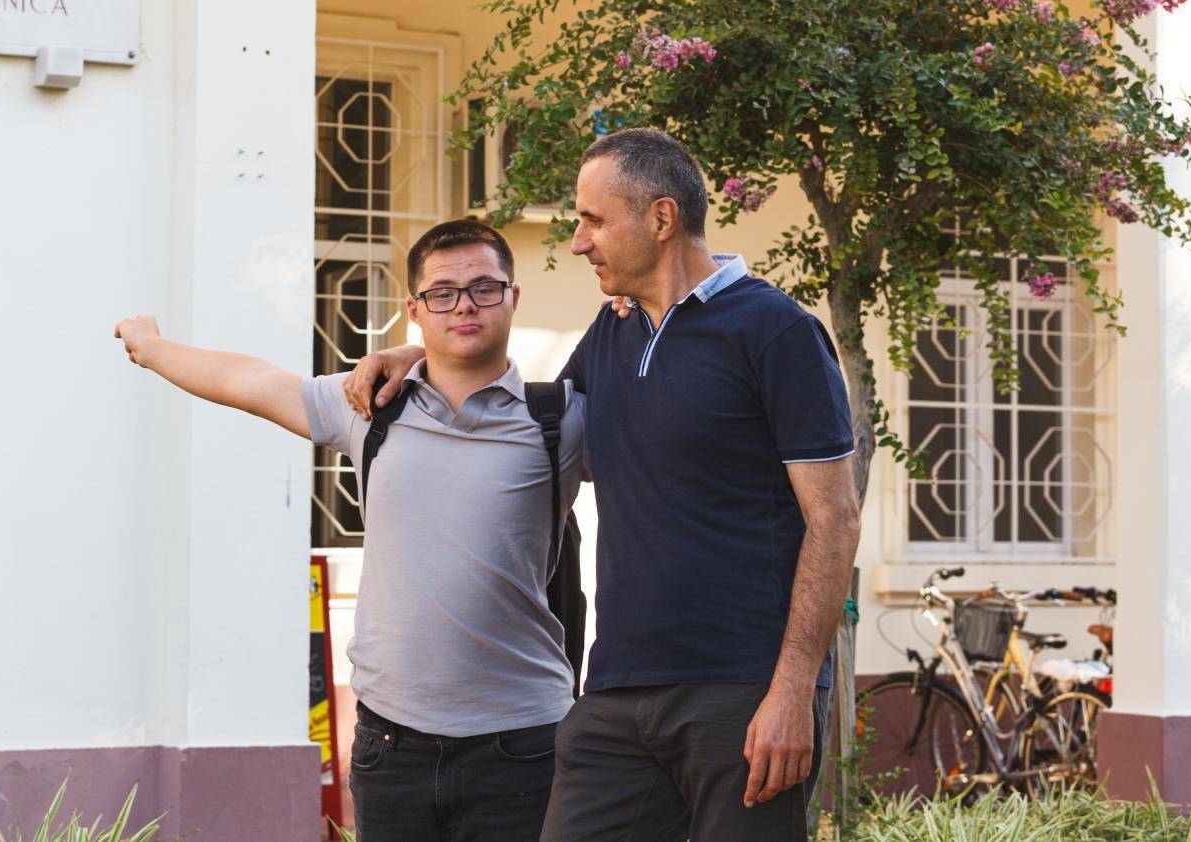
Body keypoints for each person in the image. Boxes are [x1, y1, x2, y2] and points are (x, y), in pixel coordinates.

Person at [346, 129, 862, 841]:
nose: (580, 241)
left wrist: (794, 690)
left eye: (592, 219)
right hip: (617, 691)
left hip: (742, 688)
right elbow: (525, 428)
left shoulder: (775, 331)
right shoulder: (612, 333)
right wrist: (421, 350)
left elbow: (835, 520)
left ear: (660, 218)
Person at [115, 219, 588, 841]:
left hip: (523, 743)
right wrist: (150, 348)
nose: (465, 304)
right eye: (442, 292)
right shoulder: (370, 409)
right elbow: (249, 381)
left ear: (513, 296)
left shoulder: (561, 418)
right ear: (414, 309)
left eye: (484, 288)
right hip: (391, 746)